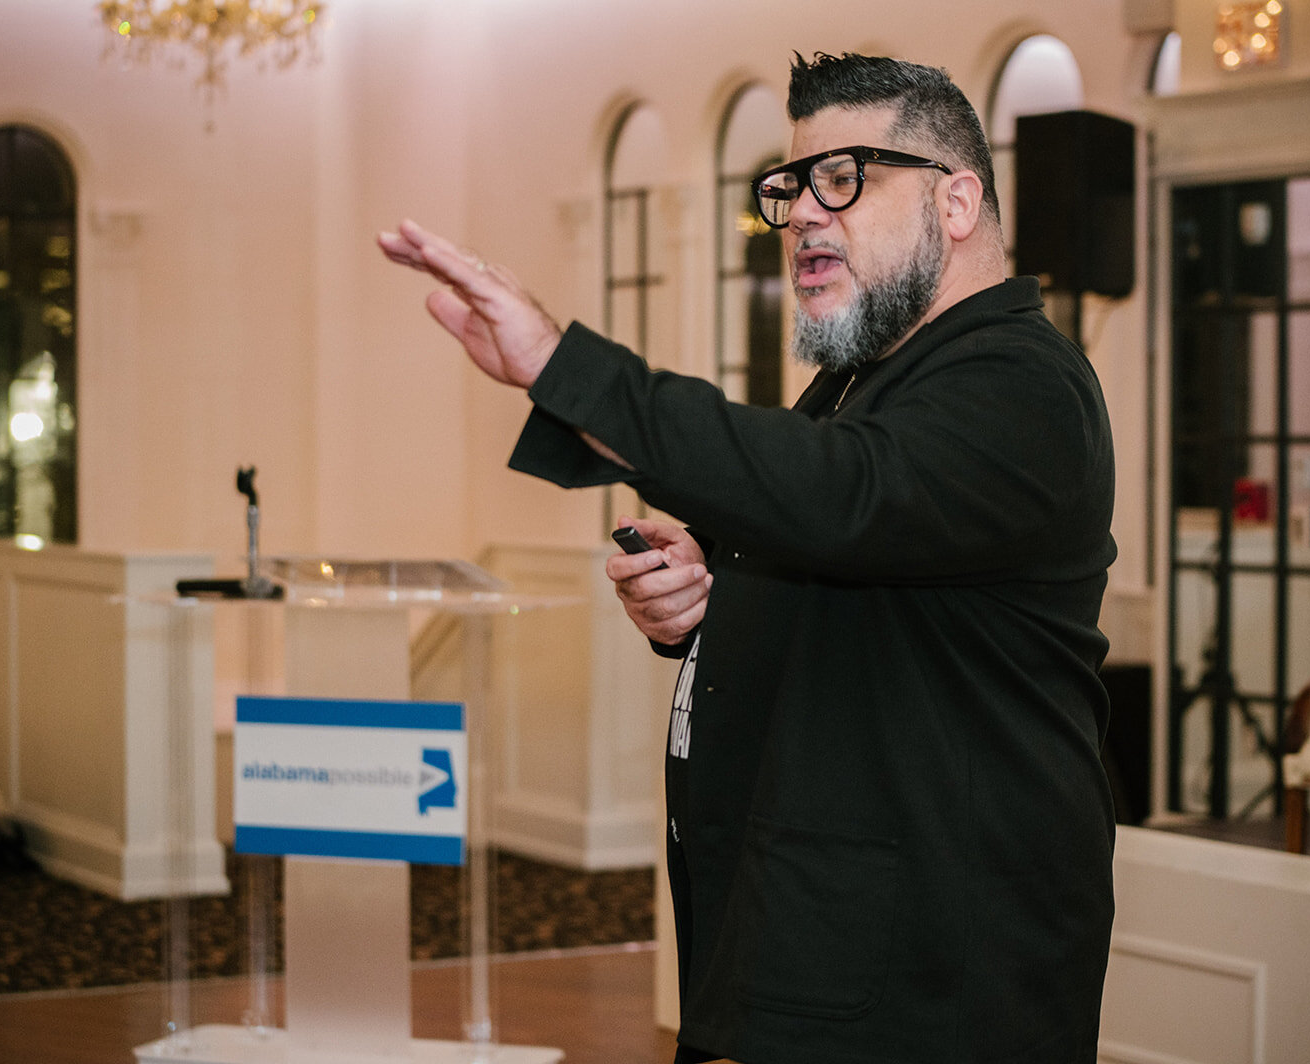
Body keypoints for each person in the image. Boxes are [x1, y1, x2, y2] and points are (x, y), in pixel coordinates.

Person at [379, 51, 1117, 1064]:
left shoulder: (1024, 382)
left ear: (956, 202)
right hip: (811, 935)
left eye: (843, 179)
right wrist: (700, 592)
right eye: (790, 187)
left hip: (940, 969)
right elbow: (829, 532)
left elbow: (839, 495)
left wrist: (562, 365)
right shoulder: (870, 380)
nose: (803, 214)